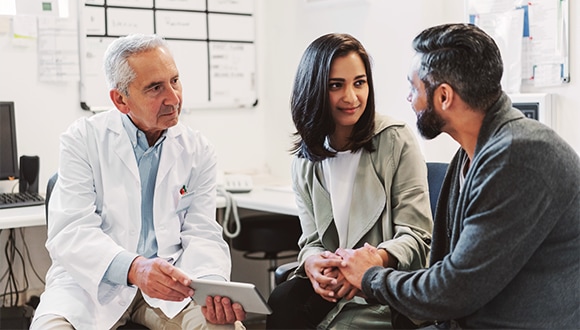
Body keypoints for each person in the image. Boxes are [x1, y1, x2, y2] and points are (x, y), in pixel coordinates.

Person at [335, 23, 580, 328]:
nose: (408, 98)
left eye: (414, 88)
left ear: (444, 97)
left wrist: (371, 276)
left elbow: (455, 289)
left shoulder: (520, 158)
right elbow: (450, 276)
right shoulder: (472, 153)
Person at [31, 34, 246, 330]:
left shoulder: (197, 149)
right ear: (121, 100)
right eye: (156, 88)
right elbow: (71, 232)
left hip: (171, 289)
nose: (173, 98)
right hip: (93, 286)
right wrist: (134, 268)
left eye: (175, 81)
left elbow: (203, 233)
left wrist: (212, 287)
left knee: (223, 327)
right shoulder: (82, 140)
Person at [266, 33, 433, 329]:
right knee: (283, 300)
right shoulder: (304, 162)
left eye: (359, 82)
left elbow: (418, 237)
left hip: (384, 289)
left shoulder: (395, 140)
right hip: (333, 289)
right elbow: (312, 242)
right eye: (336, 85)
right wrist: (312, 263)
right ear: (315, 89)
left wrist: (371, 262)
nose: (351, 97)